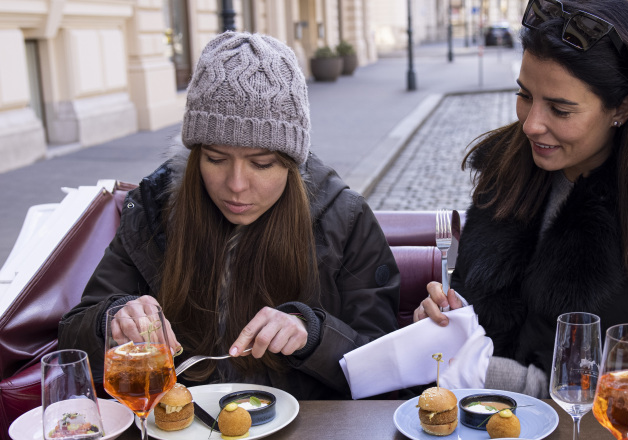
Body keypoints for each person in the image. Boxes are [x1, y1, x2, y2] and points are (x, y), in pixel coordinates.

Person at [413, 0, 628, 437]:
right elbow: (481, 309)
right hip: (484, 423)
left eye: (560, 110)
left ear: (622, 107)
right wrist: (448, 321)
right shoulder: (508, 166)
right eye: (524, 95)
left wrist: (530, 389)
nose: (531, 125)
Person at [59, 32, 400, 401]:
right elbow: (73, 335)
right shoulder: (154, 210)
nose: (236, 185)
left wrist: (313, 335)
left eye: (262, 163)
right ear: (195, 157)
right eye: (215, 159)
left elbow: (385, 365)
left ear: (290, 163)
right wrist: (111, 320)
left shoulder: (344, 219)